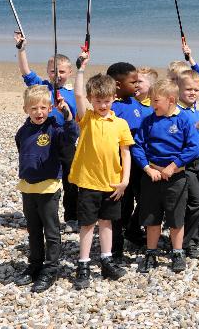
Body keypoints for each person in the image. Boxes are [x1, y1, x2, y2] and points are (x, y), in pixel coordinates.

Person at [69, 55, 133, 289]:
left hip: (112, 183)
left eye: (106, 100)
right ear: (91, 100)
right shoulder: (86, 119)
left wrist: (124, 180)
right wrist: (80, 69)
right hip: (88, 182)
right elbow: (77, 94)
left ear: (113, 98)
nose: (103, 105)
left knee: (107, 223)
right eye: (97, 101)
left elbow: (126, 153)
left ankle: (106, 260)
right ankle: (83, 263)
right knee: (87, 224)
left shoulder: (120, 124)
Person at [131, 79, 199, 273]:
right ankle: (151, 252)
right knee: (152, 217)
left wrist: (174, 165)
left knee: (176, 217)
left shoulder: (184, 120)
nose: (153, 105)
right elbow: (138, 146)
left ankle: (177, 252)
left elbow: (193, 147)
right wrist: (147, 168)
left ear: (171, 100)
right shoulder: (149, 120)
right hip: (152, 176)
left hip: (176, 178)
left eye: (156, 101)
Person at [13, 85, 77, 293]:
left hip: (49, 187)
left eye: (42, 108)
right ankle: (35, 264)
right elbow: (21, 148)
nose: (38, 112)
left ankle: (51, 269)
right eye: (33, 108)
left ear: (50, 109)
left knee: (51, 231)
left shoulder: (55, 129)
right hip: (28, 187)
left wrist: (66, 114)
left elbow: (70, 135)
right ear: (25, 109)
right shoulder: (23, 131)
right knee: (33, 230)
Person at [14, 31, 79, 229]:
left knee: (71, 180)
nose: (56, 75)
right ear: (47, 71)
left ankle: (71, 216)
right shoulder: (41, 87)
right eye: (53, 71)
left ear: (69, 73)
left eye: (61, 72)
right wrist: (22, 49)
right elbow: (26, 72)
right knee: (45, 175)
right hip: (43, 139)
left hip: (65, 141)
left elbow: (78, 119)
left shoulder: (74, 93)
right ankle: (42, 211)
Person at [107, 61, 148, 260]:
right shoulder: (113, 108)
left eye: (139, 81)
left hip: (140, 161)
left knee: (146, 198)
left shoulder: (137, 103)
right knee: (123, 203)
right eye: (133, 82)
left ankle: (133, 229)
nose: (137, 85)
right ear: (117, 84)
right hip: (122, 163)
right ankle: (117, 244)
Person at [176, 69, 199, 258]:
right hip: (186, 163)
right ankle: (184, 242)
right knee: (195, 202)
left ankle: (193, 239)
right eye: (188, 89)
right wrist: (195, 127)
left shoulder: (198, 112)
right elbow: (177, 137)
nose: (192, 93)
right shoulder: (177, 113)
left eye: (196, 90)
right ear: (179, 89)